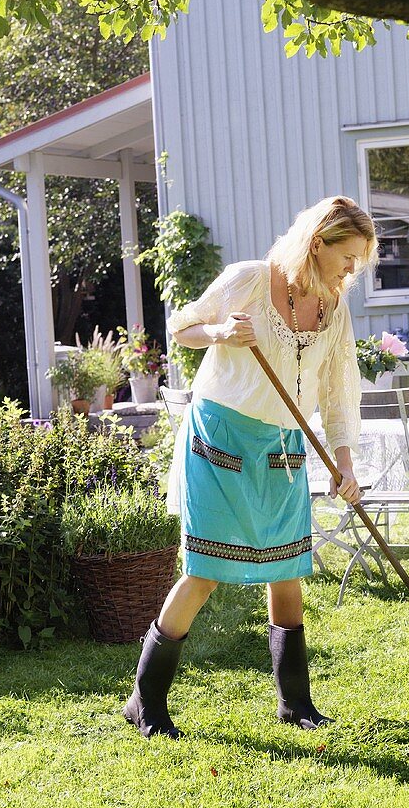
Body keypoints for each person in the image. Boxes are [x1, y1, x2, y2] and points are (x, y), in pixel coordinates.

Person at [124, 196, 378, 738]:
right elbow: (182, 327)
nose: (353, 270)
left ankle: (297, 703)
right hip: (221, 437)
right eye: (348, 257)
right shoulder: (248, 280)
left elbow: (340, 393)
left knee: (289, 570)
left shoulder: (334, 307)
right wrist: (219, 334)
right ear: (318, 243)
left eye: (360, 259)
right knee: (206, 570)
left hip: (283, 443)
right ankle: (145, 701)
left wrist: (343, 464)